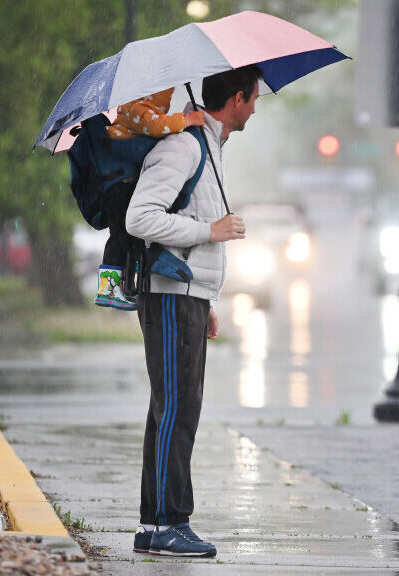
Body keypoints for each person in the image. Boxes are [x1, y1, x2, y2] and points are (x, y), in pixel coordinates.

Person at [123, 65, 262, 557]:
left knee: (176, 409)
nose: (255, 106)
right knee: (175, 410)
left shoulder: (209, 147)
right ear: (238, 98)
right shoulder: (182, 146)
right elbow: (140, 218)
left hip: (186, 298)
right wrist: (211, 233)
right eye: (254, 97)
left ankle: (156, 524)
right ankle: (165, 525)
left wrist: (206, 299)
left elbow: (188, 215)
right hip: (166, 295)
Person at [93, 88, 208, 311]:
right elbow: (157, 126)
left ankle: (125, 285)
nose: (166, 103)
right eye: (164, 97)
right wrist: (186, 119)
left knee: (128, 239)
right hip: (118, 187)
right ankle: (109, 290)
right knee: (120, 237)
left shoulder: (138, 110)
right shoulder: (134, 110)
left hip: (123, 184)